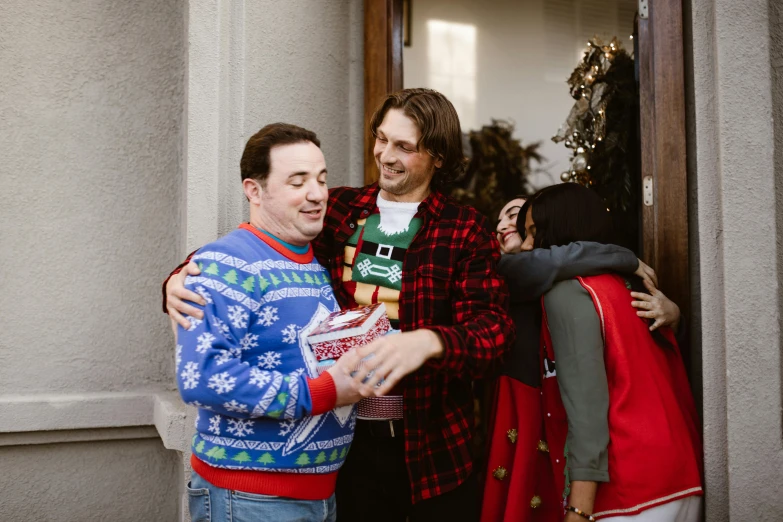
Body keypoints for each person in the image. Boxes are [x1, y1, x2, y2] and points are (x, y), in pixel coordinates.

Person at [166, 88, 515, 521]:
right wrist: (178, 277)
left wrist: (428, 341)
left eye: (403, 147)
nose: (385, 155)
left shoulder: (464, 230)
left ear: (438, 157)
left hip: (430, 446)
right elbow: (260, 244)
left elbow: (495, 332)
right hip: (341, 445)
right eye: (381, 138)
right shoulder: (341, 208)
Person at [174, 123, 364, 522]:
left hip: (319, 497)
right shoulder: (226, 264)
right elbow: (203, 378)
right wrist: (325, 391)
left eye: (321, 179)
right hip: (250, 500)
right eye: (298, 182)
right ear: (254, 191)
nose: (316, 193)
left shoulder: (313, 264)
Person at [482, 195, 682, 521]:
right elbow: (554, 262)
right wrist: (625, 257)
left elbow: (638, 364)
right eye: (501, 220)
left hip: (595, 449)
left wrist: (675, 315)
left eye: (522, 222)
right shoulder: (503, 271)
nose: (506, 226)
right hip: (533, 418)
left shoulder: (587, 287)